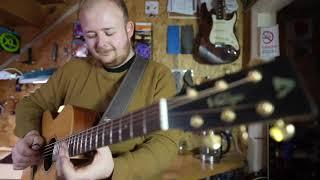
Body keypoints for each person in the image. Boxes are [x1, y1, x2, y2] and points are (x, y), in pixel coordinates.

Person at [12, 0, 184, 179]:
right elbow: (30, 104)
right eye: (91, 34)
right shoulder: (73, 70)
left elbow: (165, 145)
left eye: (109, 32)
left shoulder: (158, 76)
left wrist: (113, 170)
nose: (101, 43)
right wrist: (31, 134)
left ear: (129, 29)